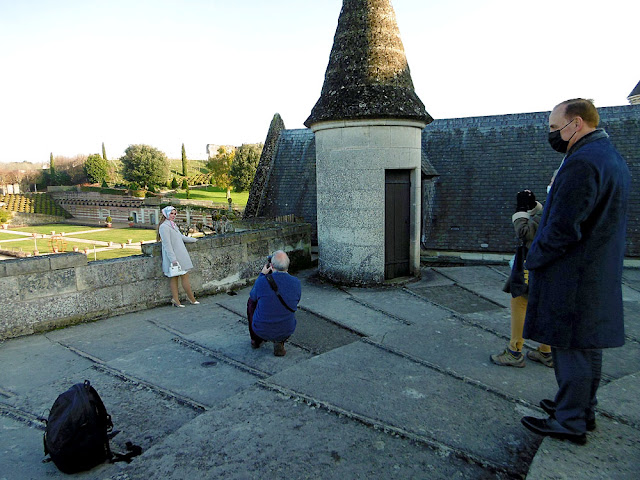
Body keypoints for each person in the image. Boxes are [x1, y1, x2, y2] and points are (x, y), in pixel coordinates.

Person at [520, 99, 630, 445]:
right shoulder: (607, 156)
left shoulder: (582, 163)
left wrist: (533, 257)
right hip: (594, 271)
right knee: (586, 345)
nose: (552, 134)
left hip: (575, 276)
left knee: (570, 348)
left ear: (576, 124)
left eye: (555, 128)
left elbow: (563, 229)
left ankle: (570, 421)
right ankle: (581, 409)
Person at [491, 189, 552, 368]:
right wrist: (534, 207)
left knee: (520, 300)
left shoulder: (561, 199)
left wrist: (520, 210)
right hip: (557, 265)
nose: (549, 184)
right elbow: (546, 216)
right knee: (545, 305)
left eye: (552, 181)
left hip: (539, 264)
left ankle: (514, 351)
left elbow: (525, 232)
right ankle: (546, 351)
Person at [247, 250, 301, 356]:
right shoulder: (296, 283)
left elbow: (253, 296)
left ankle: (255, 340)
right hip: (287, 329)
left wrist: (262, 274)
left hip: (261, 330)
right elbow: (295, 302)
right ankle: (280, 342)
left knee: (251, 302)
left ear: (271, 265)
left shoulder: (262, 281)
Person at [157, 205, 199, 307]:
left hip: (180, 254)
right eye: (171, 213)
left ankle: (177, 299)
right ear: (166, 214)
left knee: (179, 277)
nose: (173, 215)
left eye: (175, 214)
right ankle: (190, 298)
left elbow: (180, 237)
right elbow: (167, 244)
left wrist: (194, 240)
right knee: (178, 277)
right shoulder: (164, 227)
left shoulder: (173, 225)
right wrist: (173, 259)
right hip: (174, 257)